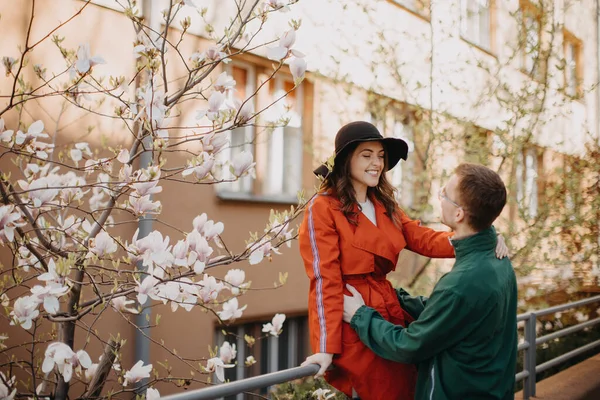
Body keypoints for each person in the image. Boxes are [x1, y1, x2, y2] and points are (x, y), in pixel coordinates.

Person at [298, 122, 508, 400]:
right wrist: (326, 345)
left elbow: (422, 238)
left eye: (381, 156)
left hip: (386, 312)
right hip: (350, 313)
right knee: (383, 391)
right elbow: (324, 278)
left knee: (409, 386)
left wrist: (480, 237)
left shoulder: (384, 204)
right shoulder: (323, 207)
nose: (376, 163)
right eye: (366, 155)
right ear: (346, 159)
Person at [340, 163, 517, 400]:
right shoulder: (498, 258)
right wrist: (394, 298)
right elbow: (451, 314)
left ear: (459, 214)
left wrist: (359, 315)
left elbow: (409, 345)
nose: (440, 196)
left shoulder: (461, 284)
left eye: (444, 193)